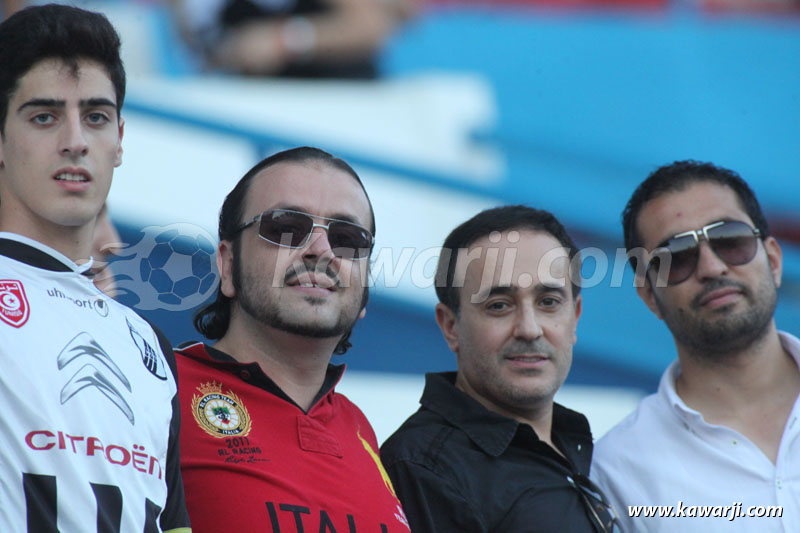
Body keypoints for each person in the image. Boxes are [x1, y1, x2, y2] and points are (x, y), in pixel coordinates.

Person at [0, 5, 191, 532]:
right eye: (44, 116)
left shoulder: (147, 342)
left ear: (120, 140)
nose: (76, 140)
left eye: (96, 117)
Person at [175, 147, 410, 533]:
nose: (320, 251)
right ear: (228, 265)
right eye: (286, 228)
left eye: (348, 237)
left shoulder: (361, 429)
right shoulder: (159, 390)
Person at [380, 205, 619, 532]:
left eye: (548, 302)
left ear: (574, 316)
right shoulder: (422, 468)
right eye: (499, 305)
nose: (530, 328)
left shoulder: (586, 448)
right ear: (450, 325)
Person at [591, 160, 800, 531]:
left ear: (772, 260)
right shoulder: (618, 469)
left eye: (730, 240)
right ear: (649, 296)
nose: (712, 267)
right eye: (677, 256)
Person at [172, 0, 418, 78]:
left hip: (342, 101)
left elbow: (370, 28)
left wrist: (285, 40)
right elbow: (199, 51)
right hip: (255, 105)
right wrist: (230, 55)